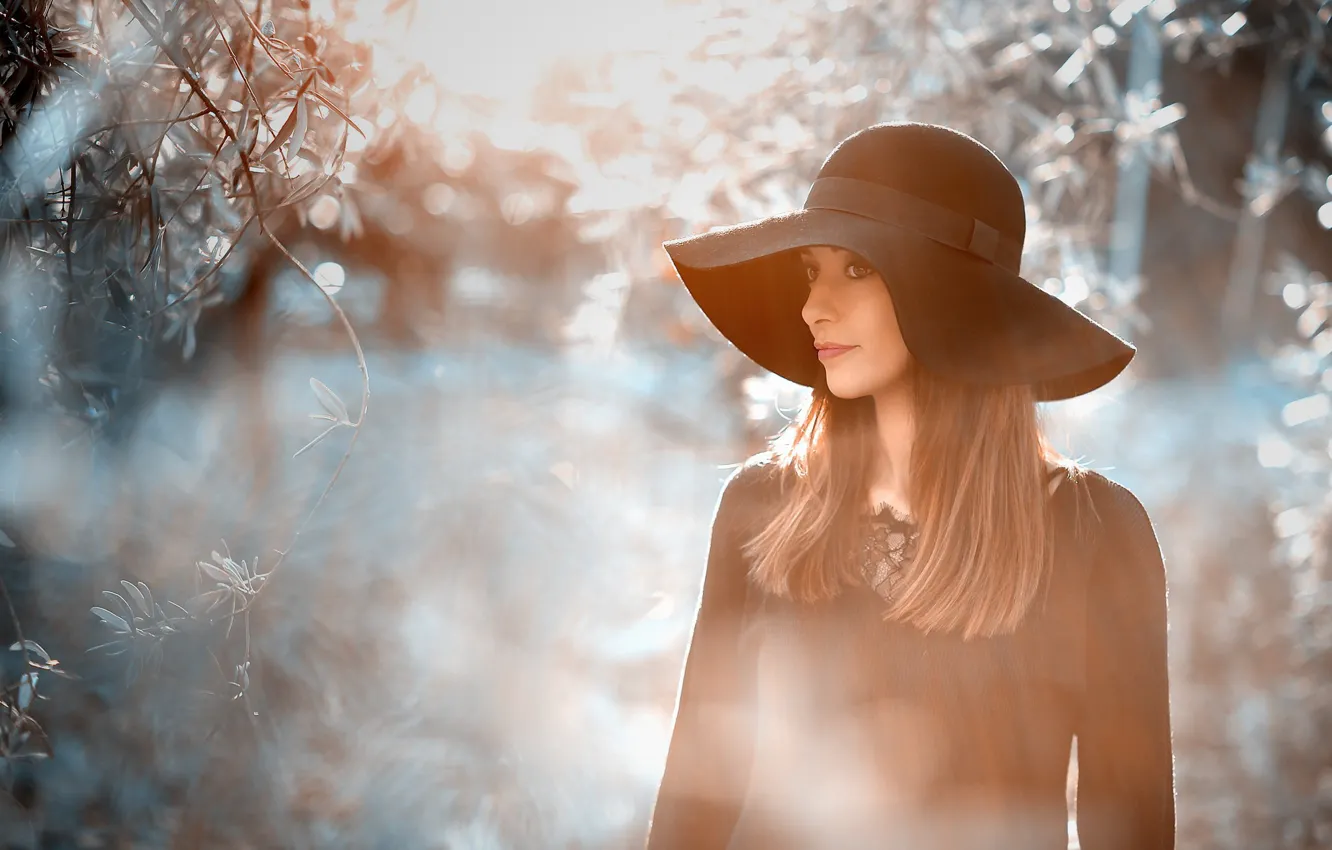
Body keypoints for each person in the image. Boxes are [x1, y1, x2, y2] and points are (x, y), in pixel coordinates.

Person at [643, 122, 1175, 850]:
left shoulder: (1095, 533)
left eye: (856, 269)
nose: (813, 308)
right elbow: (693, 807)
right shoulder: (761, 509)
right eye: (810, 271)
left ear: (951, 298)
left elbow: (1131, 824)